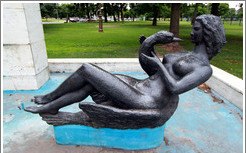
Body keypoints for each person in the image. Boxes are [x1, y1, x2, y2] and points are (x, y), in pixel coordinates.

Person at [24, 14, 226, 128]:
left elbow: (174, 88)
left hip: (147, 100)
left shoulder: (204, 69)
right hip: (138, 86)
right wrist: (150, 44)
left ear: (208, 32)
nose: (192, 31)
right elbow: (152, 70)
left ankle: (47, 99)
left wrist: (158, 66)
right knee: (89, 81)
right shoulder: (183, 53)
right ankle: (50, 105)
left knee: (87, 69)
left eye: (197, 28)